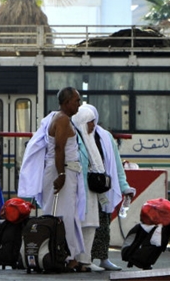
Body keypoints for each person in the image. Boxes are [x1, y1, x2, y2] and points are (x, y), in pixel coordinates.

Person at [18, 87, 86, 271]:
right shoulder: (62, 119)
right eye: (76, 100)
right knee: (63, 216)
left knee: (65, 215)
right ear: (66, 103)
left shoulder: (62, 118)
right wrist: (61, 175)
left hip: (63, 171)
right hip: (61, 171)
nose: (79, 103)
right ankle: (66, 256)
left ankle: (63, 254)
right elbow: (59, 149)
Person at [82, 104, 136, 271]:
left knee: (103, 223)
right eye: (88, 120)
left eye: (93, 120)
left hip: (102, 186)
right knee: (87, 224)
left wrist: (124, 186)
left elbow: (116, 164)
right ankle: (86, 258)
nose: (92, 124)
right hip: (86, 187)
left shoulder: (105, 136)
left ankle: (103, 257)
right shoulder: (79, 135)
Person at [71, 106, 105, 272]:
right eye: (90, 122)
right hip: (78, 190)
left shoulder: (90, 139)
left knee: (90, 224)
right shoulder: (76, 140)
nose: (93, 125)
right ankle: (77, 259)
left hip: (90, 190)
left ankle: (85, 259)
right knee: (78, 225)